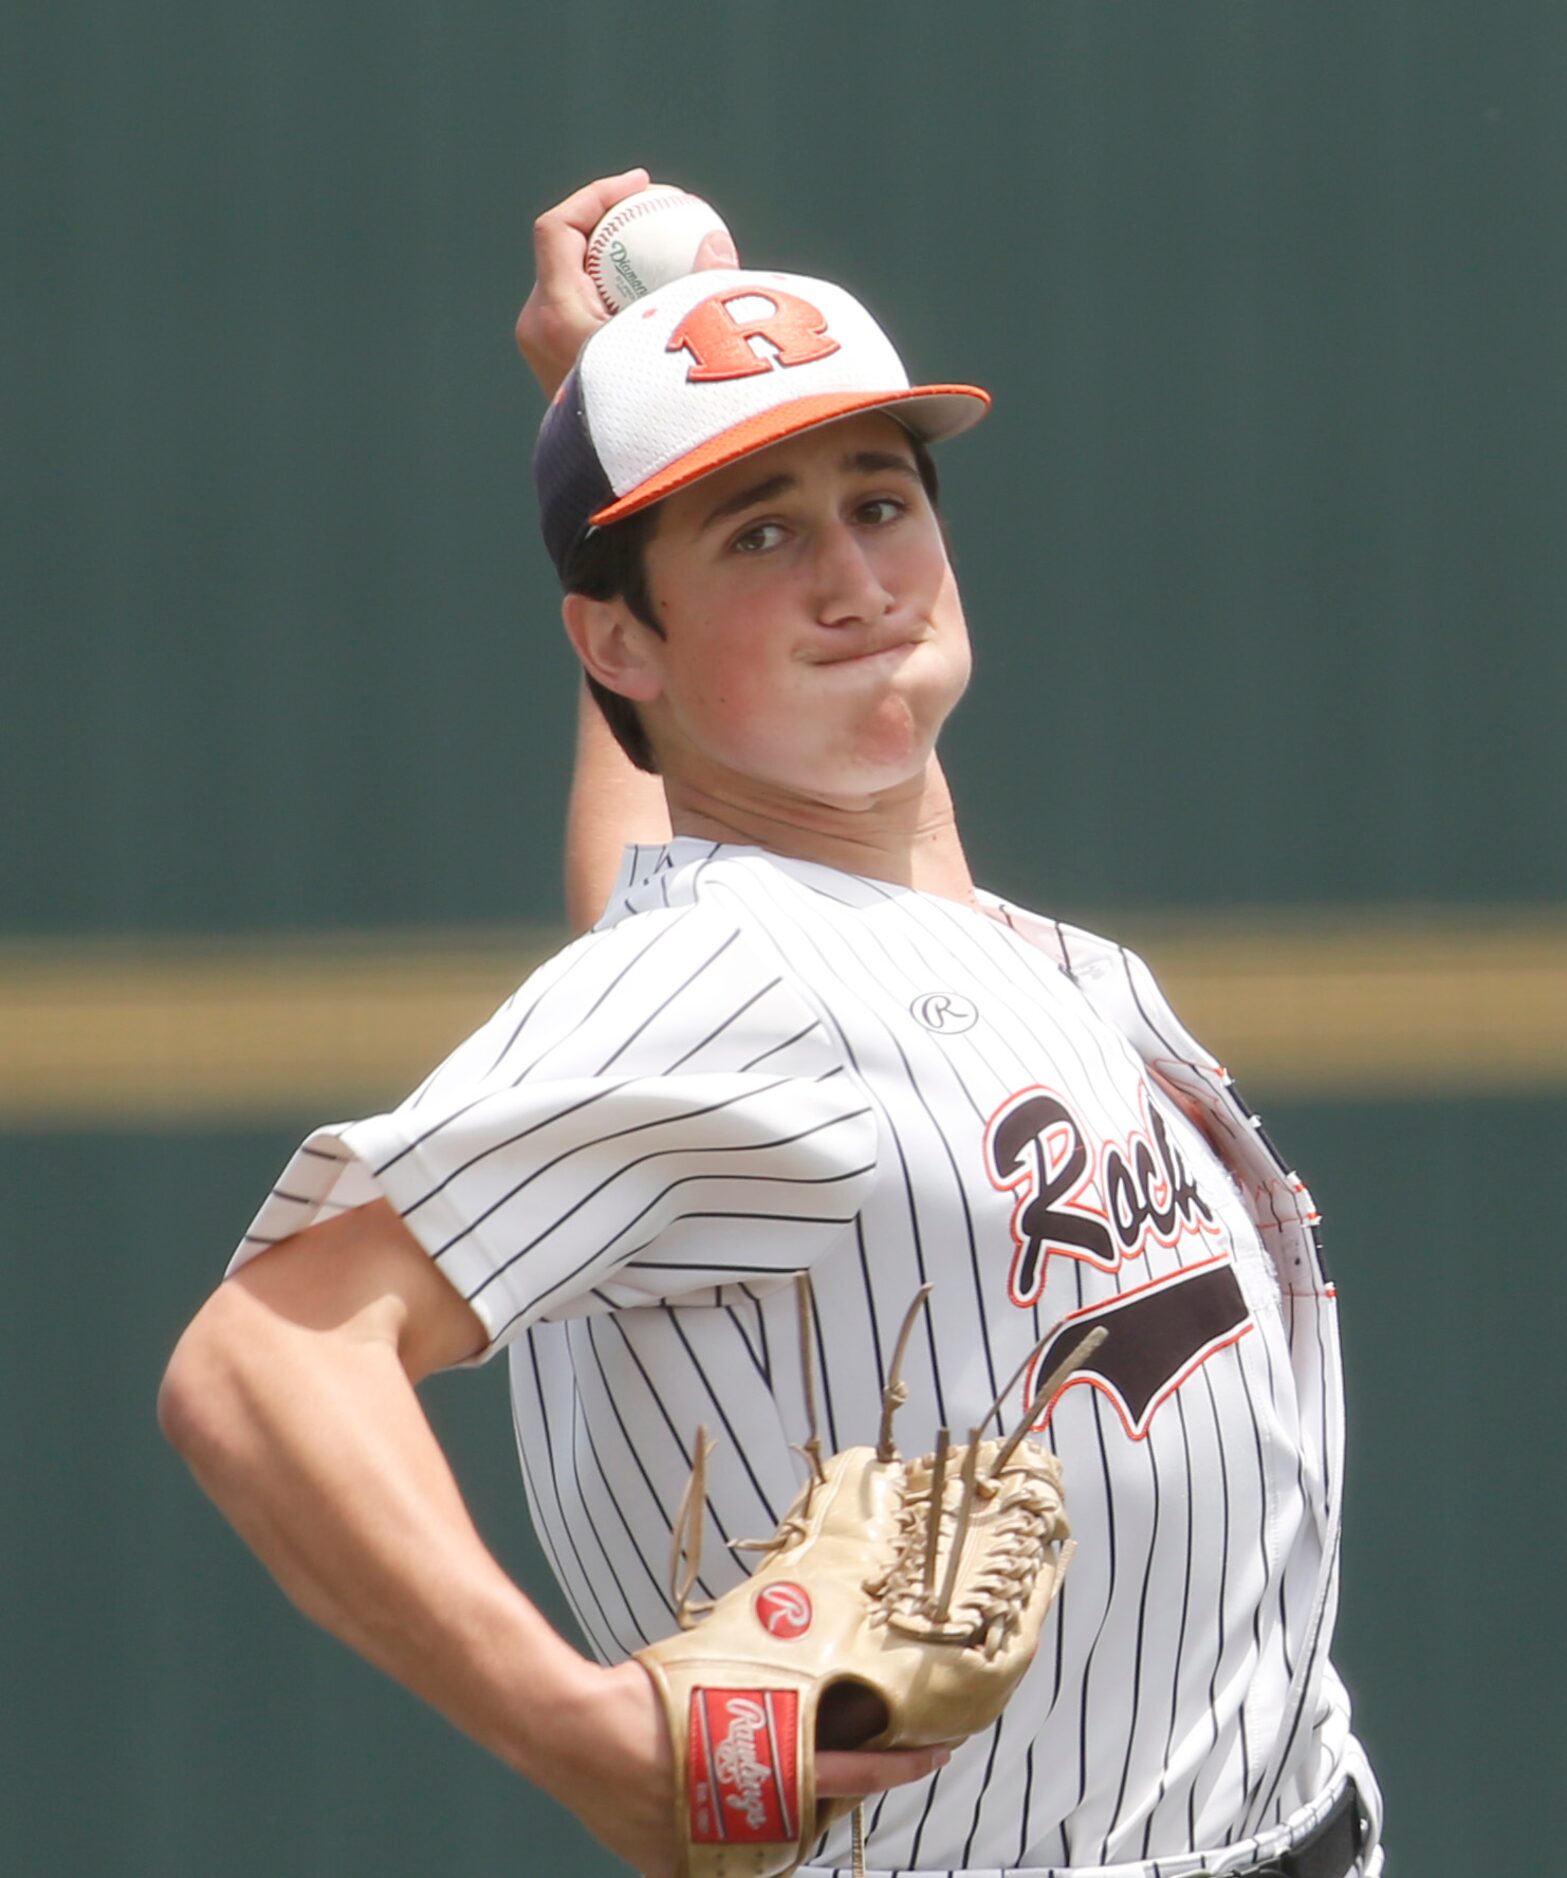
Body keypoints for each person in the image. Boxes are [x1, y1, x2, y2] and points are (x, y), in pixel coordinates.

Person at [160, 170, 1383, 1877]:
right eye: (757, 532)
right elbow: (263, 1358)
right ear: (616, 640)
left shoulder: (954, 957)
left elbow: (657, 901)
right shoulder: (722, 987)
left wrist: (615, 417)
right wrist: (569, 1727)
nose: (853, 574)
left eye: (879, 500)